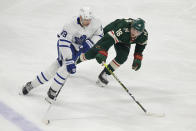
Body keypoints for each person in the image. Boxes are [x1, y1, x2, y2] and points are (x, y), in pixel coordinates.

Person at [20, 7, 103, 103]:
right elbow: (63, 42)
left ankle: (34, 86)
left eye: (89, 19)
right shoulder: (70, 24)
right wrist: (69, 59)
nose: (87, 22)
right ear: (80, 17)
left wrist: (90, 43)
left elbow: (99, 34)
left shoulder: (96, 22)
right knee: (65, 67)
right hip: (67, 46)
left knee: (60, 67)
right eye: (85, 20)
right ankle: (50, 90)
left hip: (79, 48)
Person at [76, 18, 148, 87]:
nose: (135, 33)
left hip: (124, 40)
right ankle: (75, 60)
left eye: (138, 32)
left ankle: (104, 74)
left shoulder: (143, 36)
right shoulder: (122, 29)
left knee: (122, 57)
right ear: (131, 26)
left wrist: (137, 59)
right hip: (111, 32)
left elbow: (140, 47)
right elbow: (109, 40)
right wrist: (103, 52)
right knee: (94, 52)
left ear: (141, 32)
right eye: (133, 29)